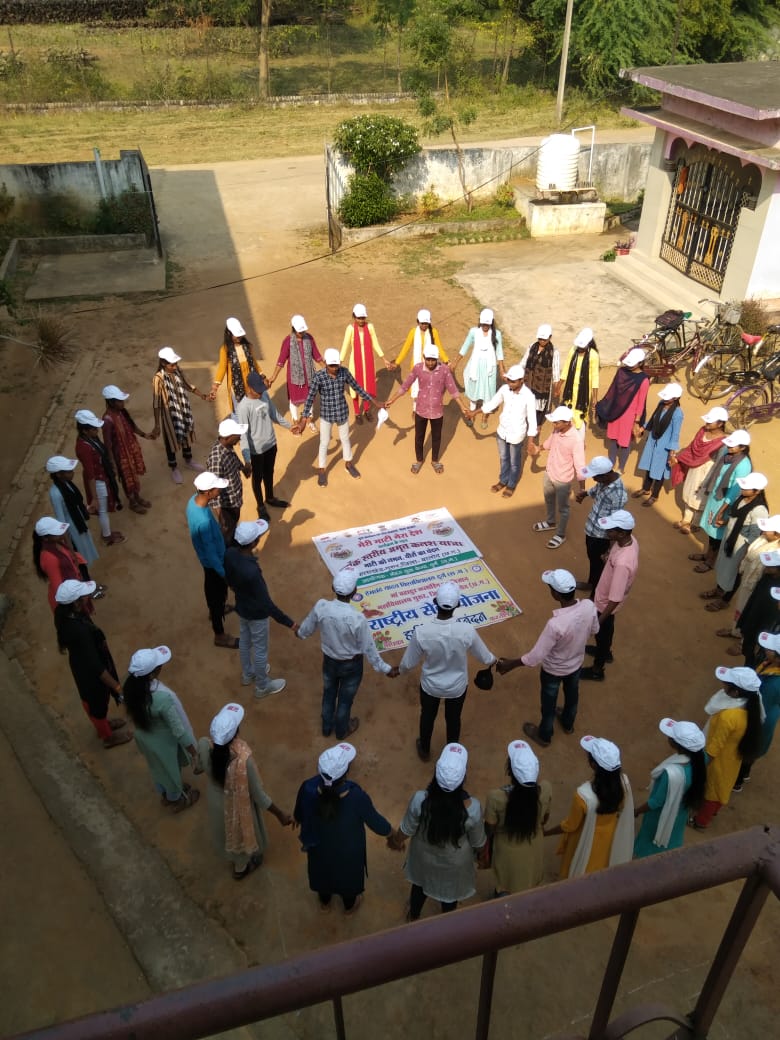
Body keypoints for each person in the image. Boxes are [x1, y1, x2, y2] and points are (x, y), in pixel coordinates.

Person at [497, 569, 599, 748]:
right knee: (572, 695)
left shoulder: (555, 624)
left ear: (556, 594)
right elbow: (594, 630)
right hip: (576, 665)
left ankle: (545, 735)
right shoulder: (589, 606)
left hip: (553, 671)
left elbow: (535, 656)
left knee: (549, 705)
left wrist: (511, 664)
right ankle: (568, 723)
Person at [398, 581, 497, 761]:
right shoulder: (467, 630)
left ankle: (424, 749)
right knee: (453, 719)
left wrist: (398, 671)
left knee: (427, 716)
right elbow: (484, 656)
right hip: (457, 687)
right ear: (457, 605)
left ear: (435, 602)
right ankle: (452, 753)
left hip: (430, 686)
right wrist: (494, 661)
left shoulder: (421, 632)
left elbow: (408, 663)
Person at [297, 569, 399, 739]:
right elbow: (369, 648)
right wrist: (386, 669)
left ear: (333, 588)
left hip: (329, 661)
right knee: (345, 700)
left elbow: (306, 628)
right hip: (351, 666)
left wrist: (300, 633)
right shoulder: (357, 618)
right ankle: (341, 730)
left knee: (329, 693)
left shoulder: (321, 606)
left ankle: (326, 727)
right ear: (354, 592)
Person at [392, 743, 487, 920]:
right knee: (449, 896)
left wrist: (396, 841)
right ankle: (446, 924)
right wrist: (482, 855)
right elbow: (478, 842)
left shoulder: (420, 799)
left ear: (436, 772)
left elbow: (406, 829)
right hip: (454, 864)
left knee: (419, 887)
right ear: (463, 777)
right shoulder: (473, 809)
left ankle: (413, 916)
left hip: (423, 857)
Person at [294, 742, 392, 913]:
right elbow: (376, 823)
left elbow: (299, 813)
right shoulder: (356, 797)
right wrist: (392, 834)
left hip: (318, 850)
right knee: (348, 880)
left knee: (321, 875)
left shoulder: (308, 787)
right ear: (345, 773)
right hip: (348, 854)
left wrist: (296, 818)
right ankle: (349, 907)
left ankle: (325, 903)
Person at [199, 703, 293, 880]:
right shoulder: (243, 761)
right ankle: (240, 868)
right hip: (235, 807)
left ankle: (238, 862)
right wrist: (280, 814)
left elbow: (200, 766)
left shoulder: (204, 745)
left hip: (215, 802)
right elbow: (258, 795)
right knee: (238, 836)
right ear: (236, 733)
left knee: (223, 832)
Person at [53, 579, 131, 749]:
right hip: (90, 676)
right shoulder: (80, 632)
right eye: (83, 596)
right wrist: (117, 687)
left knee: (99, 704)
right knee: (97, 706)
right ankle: (107, 737)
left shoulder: (64, 614)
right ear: (75, 603)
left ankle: (105, 726)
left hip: (82, 665)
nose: (87, 596)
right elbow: (96, 667)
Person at [122, 645, 200, 813]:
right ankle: (176, 799)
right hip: (164, 745)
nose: (161, 667)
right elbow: (179, 730)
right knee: (170, 771)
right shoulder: (163, 699)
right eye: (158, 666)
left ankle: (166, 794)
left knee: (157, 769)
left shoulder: (130, 689)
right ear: (151, 674)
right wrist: (194, 752)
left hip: (146, 741)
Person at [223, 519, 295, 699]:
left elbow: (227, 578)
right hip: (257, 615)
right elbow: (267, 604)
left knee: (245, 641)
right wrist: (290, 623)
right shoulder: (252, 572)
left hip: (242, 608)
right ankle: (262, 686)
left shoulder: (230, 554)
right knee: (260, 651)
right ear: (254, 543)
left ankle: (248, 674)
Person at [545, 735, 634, 879]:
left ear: (593, 765)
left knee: (578, 868)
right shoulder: (624, 783)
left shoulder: (582, 796)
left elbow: (570, 825)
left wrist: (547, 832)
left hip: (583, 839)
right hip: (608, 836)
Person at [691, 665, 764, 829]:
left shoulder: (728, 716)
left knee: (712, 792)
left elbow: (715, 746)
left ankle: (700, 822)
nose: (723, 685)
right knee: (722, 788)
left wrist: (701, 763)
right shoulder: (751, 708)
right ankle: (712, 812)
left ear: (736, 692)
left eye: (727, 684)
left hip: (718, 761)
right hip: (733, 759)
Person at [384, 344, 471, 475]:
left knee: (436, 437)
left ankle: (435, 461)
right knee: (419, 437)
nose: (430, 363)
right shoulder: (418, 368)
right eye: (428, 359)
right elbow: (405, 386)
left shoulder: (444, 370)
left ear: (437, 359)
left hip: (437, 412)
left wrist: (463, 407)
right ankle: (419, 460)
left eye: (433, 360)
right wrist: (392, 399)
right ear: (424, 357)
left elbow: (453, 390)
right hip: (421, 410)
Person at [293, 348, 374, 487]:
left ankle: (348, 464)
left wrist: (372, 400)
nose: (335, 368)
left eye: (336, 365)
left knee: (345, 439)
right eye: (331, 365)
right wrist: (304, 420)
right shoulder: (318, 377)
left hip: (342, 412)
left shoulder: (344, 372)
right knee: (324, 442)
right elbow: (310, 398)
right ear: (325, 363)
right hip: (326, 415)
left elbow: (357, 388)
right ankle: (322, 470)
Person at [484, 740, 552, 896]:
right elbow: (544, 820)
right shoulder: (546, 789)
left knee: (505, 887)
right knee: (529, 885)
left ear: (510, 771)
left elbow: (489, 828)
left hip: (507, 852)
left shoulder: (496, 797)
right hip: (534, 847)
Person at [633, 718, 707, 858]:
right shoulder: (700, 758)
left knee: (651, 843)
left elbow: (656, 802)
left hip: (659, 816)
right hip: (680, 812)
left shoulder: (671, 774)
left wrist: (637, 811)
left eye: (671, 737)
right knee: (673, 835)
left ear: (677, 745)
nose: (668, 738)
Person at [581, 510, 639, 682]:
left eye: (611, 530)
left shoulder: (622, 564)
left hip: (605, 605)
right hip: (604, 597)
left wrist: (599, 620)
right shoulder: (629, 540)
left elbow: (615, 599)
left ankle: (597, 669)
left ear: (621, 533)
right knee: (607, 631)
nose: (607, 531)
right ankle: (605, 652)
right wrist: (608, 555)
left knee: (602, 633)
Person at [700, 473, 769, 613]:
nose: (743, 489)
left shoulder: (759, 510)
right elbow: (734, 516)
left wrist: (745, 556)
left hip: (740, 547)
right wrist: (725, 522)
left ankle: (725, 600)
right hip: (729, 540)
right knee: (724, 567)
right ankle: (719, 590)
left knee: (735, 573)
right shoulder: (741, 498)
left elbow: (755, 535)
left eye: (747, 487)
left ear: (757, 491)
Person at [185, 471, 237, 649]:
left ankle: (218, 608)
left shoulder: (193, 501)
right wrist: (223, 574)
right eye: (216, 489)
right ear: (208, 492)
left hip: (209, 561)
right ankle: (219, 635)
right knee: (216, 595)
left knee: (213, 592)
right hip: (215, 564)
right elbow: (211, 553)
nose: (219, 491)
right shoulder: (204, 523)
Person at [690, 429, 752, 573]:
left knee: (717, 533)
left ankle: (711, 561)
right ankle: (707, 554)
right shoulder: (727, 454)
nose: (729, 447)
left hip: (725, 503)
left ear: (742, 447)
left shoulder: (744, 465)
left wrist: (722, 510)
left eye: (733, 445)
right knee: (710, 529)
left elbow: (735, 492)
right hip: (715, 497)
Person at [471, 363, 536, 498]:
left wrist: (530, 442)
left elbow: (532, 420)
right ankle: (503, 480)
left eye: (513, 381)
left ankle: (511, 484)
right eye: (509, 380)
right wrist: (475, 412)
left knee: (514, 462)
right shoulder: (504, 389)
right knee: (503, 458)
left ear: (521, 380)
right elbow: (492, 404)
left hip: (517, 435)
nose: (510, 383)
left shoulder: (528, 396)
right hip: (502, 431)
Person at [715, 519, 780, 653]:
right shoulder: (762, 539)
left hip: (761, 588)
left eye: (768, 529)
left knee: (752, 615)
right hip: (748, 581)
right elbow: (750, 553)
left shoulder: (777, 551)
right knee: (741, 608)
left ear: (777, 535)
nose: (764, 531)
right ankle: (735, 630)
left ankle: (743, 643)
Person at [235, 370, 291, 521]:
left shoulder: (264, 395)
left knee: (269, 472)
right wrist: (247, 459)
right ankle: (260, 506)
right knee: (257, 478)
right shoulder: (243, 407)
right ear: (249, 388)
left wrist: (290, 426)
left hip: (271, 444)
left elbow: (274, 414)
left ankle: (270, 498)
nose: (260, 393)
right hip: (257, 451)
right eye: (257, 391)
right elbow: (243, 435)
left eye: (261, 390)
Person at [152, 346, 209, 484]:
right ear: (164, 363)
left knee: (186, 434)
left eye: (175, 363)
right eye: (172, 364)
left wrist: (202, 395)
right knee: (170, 440)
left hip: (183, 410)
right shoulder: (158, 378)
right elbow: (156, 403)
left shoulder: (178, 372)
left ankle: (188, 460)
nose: (175, 366)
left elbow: (188, 385)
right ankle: (173, 467)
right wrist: (157, 424)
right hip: (169, 416)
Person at [531, 405, 586, 550]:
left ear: (567, 422)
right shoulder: (556, 430)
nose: (553, 424)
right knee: (549, 499)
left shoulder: (576, 440)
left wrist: (582, 489)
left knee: (563, 508)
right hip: (549, 473)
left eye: (556, 422)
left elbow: (580, 466)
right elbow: (549, 443)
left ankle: (561, 534)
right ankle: (550, 522)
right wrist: (538, 448)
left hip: (562, 480)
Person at [669, 406, 728, 535]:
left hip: (707, 472)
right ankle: (686, 520)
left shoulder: (723, 442)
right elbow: (692, 447)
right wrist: (679, 458)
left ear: (720, 424)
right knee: (689, 492)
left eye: (710, 421)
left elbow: (720, 463)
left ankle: (695, 524)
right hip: (694, 468)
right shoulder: (702, 431)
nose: (707, 422)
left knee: (700, 497)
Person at [732, 631, 780, 790]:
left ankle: (738, 780)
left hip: (761, 718)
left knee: (747, 747)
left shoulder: (773, 684)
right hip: (769, 712)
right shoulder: (771, 665)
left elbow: (759, 708)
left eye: (771, 649)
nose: (766, 649)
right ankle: (745, 773)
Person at [575, 456, 628, 593]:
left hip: (601, 537)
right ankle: (591, 584)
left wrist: (610, 550)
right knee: (593, 561)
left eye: (595, 477)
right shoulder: (603, 481)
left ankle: (595, 595)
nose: (593, 479)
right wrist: (585, 494)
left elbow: (615, 523)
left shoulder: (618, 494)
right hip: (592, 530)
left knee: (599, 565)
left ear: (605, 475)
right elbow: (595, 490)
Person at [101, 384, 154, 516]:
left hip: (129, 449)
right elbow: (108, 444)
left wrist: (145, 435)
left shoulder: (121, 412)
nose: (122, 403)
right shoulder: (107, 420)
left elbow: (132, 426)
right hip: (120, 455)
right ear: (111, 402)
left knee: (133, 474)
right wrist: (112, 462)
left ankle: (137, 497)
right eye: (119, 401)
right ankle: (132, 502)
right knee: (126, 477)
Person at [74, 408, 124, 547]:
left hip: (102, 476)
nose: (97, 430)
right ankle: (107, 536)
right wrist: (94, 498)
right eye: (93, 429)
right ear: (85, 431)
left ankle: (106, 533)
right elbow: (90, 474)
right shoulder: (84, 448)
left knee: (104, 508)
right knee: (102, 510)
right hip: (98, 481)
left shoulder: (91, 439)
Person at [596, 347, 650, 473]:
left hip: (629, 416)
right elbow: (613, 391)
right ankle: (611, 464)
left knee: (625, 443)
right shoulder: (621, 372)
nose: (629, 366)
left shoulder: (644, 380)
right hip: (616, 411)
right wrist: (605, 406)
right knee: (613, 439)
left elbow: (641, 403)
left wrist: (636, 421)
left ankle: (621, 468)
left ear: (640, 363)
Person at [339, 303, 394, 423]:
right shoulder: (350, 329)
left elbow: (375, 343)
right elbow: (345, 346)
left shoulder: (370, 327)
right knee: (355, 388)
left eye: (363, 318)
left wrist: (383, 359)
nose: (361, 320)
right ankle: (357, 413)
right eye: (359, 318)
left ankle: (367, 410)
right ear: (354, 317)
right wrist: (339, 362)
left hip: (368, 363)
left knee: (367, 386)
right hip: (355, 364)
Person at [33, 516, 101, 613]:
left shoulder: (56, 543)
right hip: (71, 602)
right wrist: (79, 599)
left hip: (75, 591)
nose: (61, 533)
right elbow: (59, 589)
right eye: (56, 532)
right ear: (45, 538)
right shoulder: (49, 559)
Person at [452, 308, 505, 428]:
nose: (485, 326)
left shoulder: (497, 334)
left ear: (491, 322)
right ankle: (472, 414)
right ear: (480, 321)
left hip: (489, 368)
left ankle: (484, 417)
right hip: (475, 366)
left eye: (487, 324)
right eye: (483, 324)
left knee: (488, 392)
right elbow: (465, 347)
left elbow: (499, 352)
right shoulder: (474, 332)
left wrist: (501, 369)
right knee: (473, 390)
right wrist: (455, 362)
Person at [268, 314, 323, 428]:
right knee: (294, 400)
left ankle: (309, 421)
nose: (302, 333)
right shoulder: (287, 341)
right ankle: (296, 422)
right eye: (300, 331)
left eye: (303, 330)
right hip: (294, 378)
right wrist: (274, 376)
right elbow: (281, 361)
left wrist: (328, 370)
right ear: (293, 329)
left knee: (309, 398)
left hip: (309, 376)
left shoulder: (309, 338)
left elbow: (317, 356)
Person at [634, 382, 684, 507]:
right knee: (650, 465)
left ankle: (654, 495)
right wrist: (643, 428)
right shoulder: (661, 403)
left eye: (668, 397)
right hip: (653, 440)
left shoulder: (678, 413)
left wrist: (672, 452)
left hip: (664, 446)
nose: (665, 399)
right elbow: (653, 418)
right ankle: (646, 489)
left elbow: (675, 433)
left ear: (676, 398)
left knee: (659, 471)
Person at [391, 309, 449, 413]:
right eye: (422, 323)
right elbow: (406, 348)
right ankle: (415, 409)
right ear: (418, 322)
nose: (424, 326)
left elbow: (439, 348)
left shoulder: (434, 332)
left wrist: (446, 360)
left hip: (430, 366)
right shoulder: (413, 332)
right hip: (416, 365)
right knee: (416, 388)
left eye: (426, 323)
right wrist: (397, 362)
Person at [46, 455, 99, 567]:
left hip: (79, 522)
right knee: (80, 558)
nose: (72, 473)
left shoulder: (67, 484)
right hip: (73, 530)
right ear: (59, 474)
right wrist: (70, 548)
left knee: (85, 554)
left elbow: (74, 503)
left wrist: (86, 509)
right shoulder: (56, 494)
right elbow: (62, 521)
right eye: (68, 471)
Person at [206, 417, 250, 543]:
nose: (240, 437)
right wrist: (221, 517)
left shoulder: (228, 446)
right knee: (227, 531)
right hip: (227, 505)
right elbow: (213, 488)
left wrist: (242, 468)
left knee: (233, 527)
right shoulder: (216, 459)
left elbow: (233, 458)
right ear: (228, 437)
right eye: (237, 435)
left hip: (235, 499)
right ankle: (227, 550)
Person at [520, 322, 560, 450]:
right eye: (540, 339)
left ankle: (537, 427)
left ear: (550, 338)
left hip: (543, 387)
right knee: (527, 405)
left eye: (544, 339)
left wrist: (557, 387)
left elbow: (556, 371)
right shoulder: (531, 347)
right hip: (529, 383)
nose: (542, 341)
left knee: (540, 408)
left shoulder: (554, 352)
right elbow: (524, 362)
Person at [210, 316, 264, 408]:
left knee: (254, 408)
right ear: (229, 333)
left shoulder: (248, 346)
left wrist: (262, 375)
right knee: (240, 410)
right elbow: (222, 368)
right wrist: (215, 387)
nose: (239, 337)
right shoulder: (225, 350)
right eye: (236, 335)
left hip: (251, 385)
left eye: (240, 335)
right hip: (236, 387)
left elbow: (254, 362)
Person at [559, 327, 599, 434]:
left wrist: (595, 397)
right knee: (568, 412)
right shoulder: (573, 350)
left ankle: (579, 439)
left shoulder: (593, 355)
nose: (580, 348)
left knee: (580, 415)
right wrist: (558, 386)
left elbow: (595, 377)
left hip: (583, 393)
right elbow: (566, 368)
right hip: (570, 390)